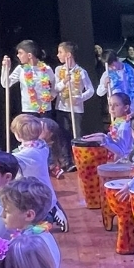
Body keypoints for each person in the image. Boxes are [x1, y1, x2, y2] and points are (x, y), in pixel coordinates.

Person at [11, 114, 68, 231]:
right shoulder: (41, 145)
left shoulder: (30, 153)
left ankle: (51, 215)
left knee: (36, 216)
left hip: (37, 192)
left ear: (18, 136)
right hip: (40, 188)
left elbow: (10, 159)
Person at [53, 41, 96, 172]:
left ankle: (79, 159)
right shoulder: (59, 70)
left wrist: (79, 98)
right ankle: (67, 162)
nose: (58, 55)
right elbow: (55, 89)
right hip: (62, 107)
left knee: (76, 134)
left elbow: (91, 90)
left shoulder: (81, 72)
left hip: (76, 109)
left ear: (68, 55)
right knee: (63, 135)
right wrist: (64, 82)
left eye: (60, 52)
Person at [1, 40, 56, 117]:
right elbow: (5, 84)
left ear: (29, 55)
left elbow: (54, 83)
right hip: (28, 111)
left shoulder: (46, 69)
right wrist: (6, 68)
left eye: (20, 53)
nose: (18, 55)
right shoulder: (21, 69)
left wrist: (52, 95)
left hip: (45, 110)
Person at [82, 92, 133, 160]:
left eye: (116, 105)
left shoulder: (124, 126)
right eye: (110, 105)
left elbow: (123, 151)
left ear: (126, 107)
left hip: (125, 160)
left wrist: (104, 141)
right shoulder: (118, 121)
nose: (112, 108)